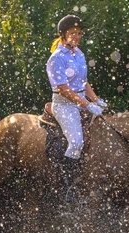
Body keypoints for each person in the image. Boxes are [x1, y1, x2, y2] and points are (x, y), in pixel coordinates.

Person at [46, 15, 107, 162]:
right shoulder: (57, 58)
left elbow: (83, 82)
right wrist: (88, 106)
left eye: (79, 33)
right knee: (76, 142)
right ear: (63, 34)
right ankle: (67, 181)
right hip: (64, 105)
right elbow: (63, 90)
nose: (77, 36)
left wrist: (96, 100)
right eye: (73, 32)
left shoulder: (79, 54)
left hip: (81, 101)